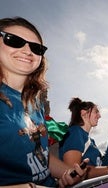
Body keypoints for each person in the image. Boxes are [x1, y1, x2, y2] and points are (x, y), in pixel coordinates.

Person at [0, 17, 87, 187]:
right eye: (14, 40)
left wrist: (67, 173)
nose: (27, 51)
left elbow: (40, 155)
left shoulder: (35, 104)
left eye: (36, 48)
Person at [59, 97, 108, 178]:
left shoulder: (91, 141)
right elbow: (72, 173)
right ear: (84, 113)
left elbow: (97, 166)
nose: (99, 116)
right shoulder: (75, 132)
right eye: (96, 112)